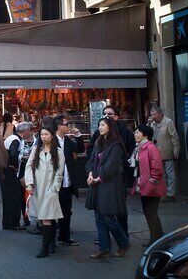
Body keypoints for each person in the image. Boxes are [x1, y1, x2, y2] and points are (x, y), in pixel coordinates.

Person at [85, 117, 130, 259]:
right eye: (99, 125)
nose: (100, 127)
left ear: (110, 126)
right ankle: (104, 248)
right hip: (96, 184)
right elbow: (91, 161)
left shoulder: (116, 145)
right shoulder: (99, 142)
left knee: (108, 217)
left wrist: (98, 178)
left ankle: (123, 243)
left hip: (108, 184)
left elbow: (111, 166)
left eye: (103, 125)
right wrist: (90, 174)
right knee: (99, 218)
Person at [89, 105, 135, 235]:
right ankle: (104, 239)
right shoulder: (99, 134)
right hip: (100, 177)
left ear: (116, 117)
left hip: (119, 176)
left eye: (109, 114)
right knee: (101, 211)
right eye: (104, 114)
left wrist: (121, 164)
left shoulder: (125, 133)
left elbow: (131, 152)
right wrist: (92, 171)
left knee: (118, 209)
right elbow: (91, 151)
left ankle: (123, 236)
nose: (106, 116)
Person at [24, 126, 64, 258]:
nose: (44, 137)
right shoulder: (36, 150)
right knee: (44, 218)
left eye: (46, 134)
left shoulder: (58, 152)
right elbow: (29, 166)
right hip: (37, 188)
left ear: (52, 135)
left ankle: (44, 247)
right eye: (42, 135)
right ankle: (51, 242)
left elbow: (59, 172)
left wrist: (55, 188)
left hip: (50, 188)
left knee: (46, 217)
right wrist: (29, 183)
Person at [51, 115, 85, 246]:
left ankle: (64, 236)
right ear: (59, 126)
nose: (69, 126)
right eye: (66, 124)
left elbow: (80, 149)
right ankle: (51, 239)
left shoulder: (68, 140)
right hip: (54, 183)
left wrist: (78, 136)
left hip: (67, 182)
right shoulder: (51, 140)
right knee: (53, 211)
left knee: (66, 210)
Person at [132, 124, 166, 246]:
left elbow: (156, 166)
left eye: (137, 132)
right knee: (148, 212)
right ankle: (157, 237)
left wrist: (153, 180)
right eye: (135, 132)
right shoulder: (139, 148)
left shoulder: (150, 147)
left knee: (151, 212)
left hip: (151, 185)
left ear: (145, 135)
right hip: (144, 184)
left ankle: (156, 239)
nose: (135, 134)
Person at [148, 106, 180, 202]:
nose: (153, 116)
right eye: (151, 115)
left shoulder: (168, 122)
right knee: (161, 174)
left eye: (154, 114)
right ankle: (163, 193)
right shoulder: (152, 124)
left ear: (160, 114)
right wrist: (149, 123)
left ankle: (171, 194)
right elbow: (146, 133)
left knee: (170, 173)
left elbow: (174, 137)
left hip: (167, 151)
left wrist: (176, 150)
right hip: (156, 153)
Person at [1, 124, 23, 230]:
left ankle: (7, 222)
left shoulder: (11, 138)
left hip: (5, 171)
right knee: (14, 197)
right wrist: (15, 166)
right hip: (10, 172)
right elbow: (13, 154)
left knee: (8, 198)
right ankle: (13, 222)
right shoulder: (16, 140)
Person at [16, 122, 35, 227]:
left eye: (23, 132)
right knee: (23, 195)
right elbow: (17, 155)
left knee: (33, 194)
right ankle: (25, 217)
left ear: (28, 131)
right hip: (22, 169)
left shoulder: (36, 141)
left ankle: (35, 217)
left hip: (33, 170)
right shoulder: (19, 142)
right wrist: (22, 157)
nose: (22, 134)